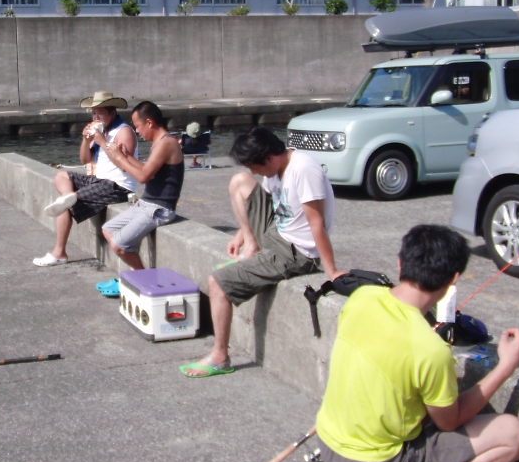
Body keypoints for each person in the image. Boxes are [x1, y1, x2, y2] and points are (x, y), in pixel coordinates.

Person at [316, 224, 519, 462]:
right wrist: (506, 366)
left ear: (400, 263)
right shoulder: (431, 350)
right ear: (454, 279)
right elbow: (449, 422)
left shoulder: (362, 297)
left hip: (328, 442)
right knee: (512, 433)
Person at [180, 126, 340, 377]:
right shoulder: (275, 167)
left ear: (269, 158)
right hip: (277, 232)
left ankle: (220, 357)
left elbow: (316, 223)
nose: (254, 172)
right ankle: (252, 247)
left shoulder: (303, 169)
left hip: (294, 252)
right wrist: (241, 235)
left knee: (217, 283)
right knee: (239, 182)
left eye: (255, 167)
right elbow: (267, 205)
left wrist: (332, 272)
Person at [33, 91, 138, 267]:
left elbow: (124, 166)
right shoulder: (102, 131)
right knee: (61, 176)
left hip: (118, 186)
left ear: (112, 113)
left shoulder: (124, 131)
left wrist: (102, 141)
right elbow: (85, 159)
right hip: (99, 180)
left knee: (64, 205)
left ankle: (59, 253)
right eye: (93, 113)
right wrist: (86, 140)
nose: (96, 117)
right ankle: (69, 195)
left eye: (100, 113)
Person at [95, 101, 184, 271]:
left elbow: (143, 177)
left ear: (149, 122)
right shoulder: (158, 142)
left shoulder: (167, 143)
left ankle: (143, 277)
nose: (136, 131)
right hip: (146, 203)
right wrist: (126, 157)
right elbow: (146, 169)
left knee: (119, 244)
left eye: (137, 126)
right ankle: (136, 274)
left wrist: (120, 158)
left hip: (159, 208)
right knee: (108, 230)